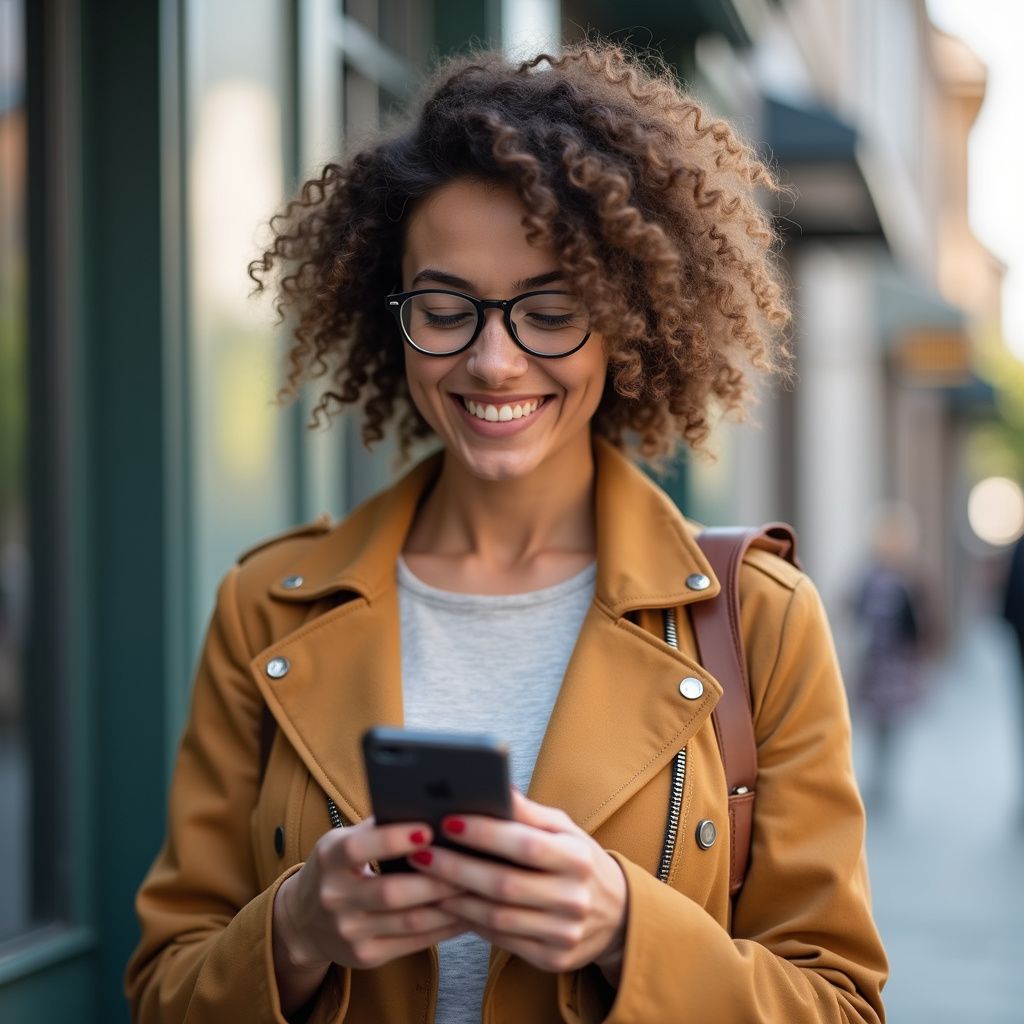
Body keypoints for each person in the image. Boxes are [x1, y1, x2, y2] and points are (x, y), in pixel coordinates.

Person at [124, 41, 887, 1024]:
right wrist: (297, 928)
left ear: (628, 318)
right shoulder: (266, 607)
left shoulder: (758, 619)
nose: (492, 360)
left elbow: (838, 1003)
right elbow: (162, 994)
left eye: (550, 308)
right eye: (445, 308)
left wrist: (626, 928)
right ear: (389, 312)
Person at [851, 506, 929, 812]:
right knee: (889, 728)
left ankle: (879, 781)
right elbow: (915, 626)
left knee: (880, 726)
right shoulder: (901, 581)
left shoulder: (870, 578)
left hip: (878, 664)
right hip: (891, 666)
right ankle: (882, 782)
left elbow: (854, 612)